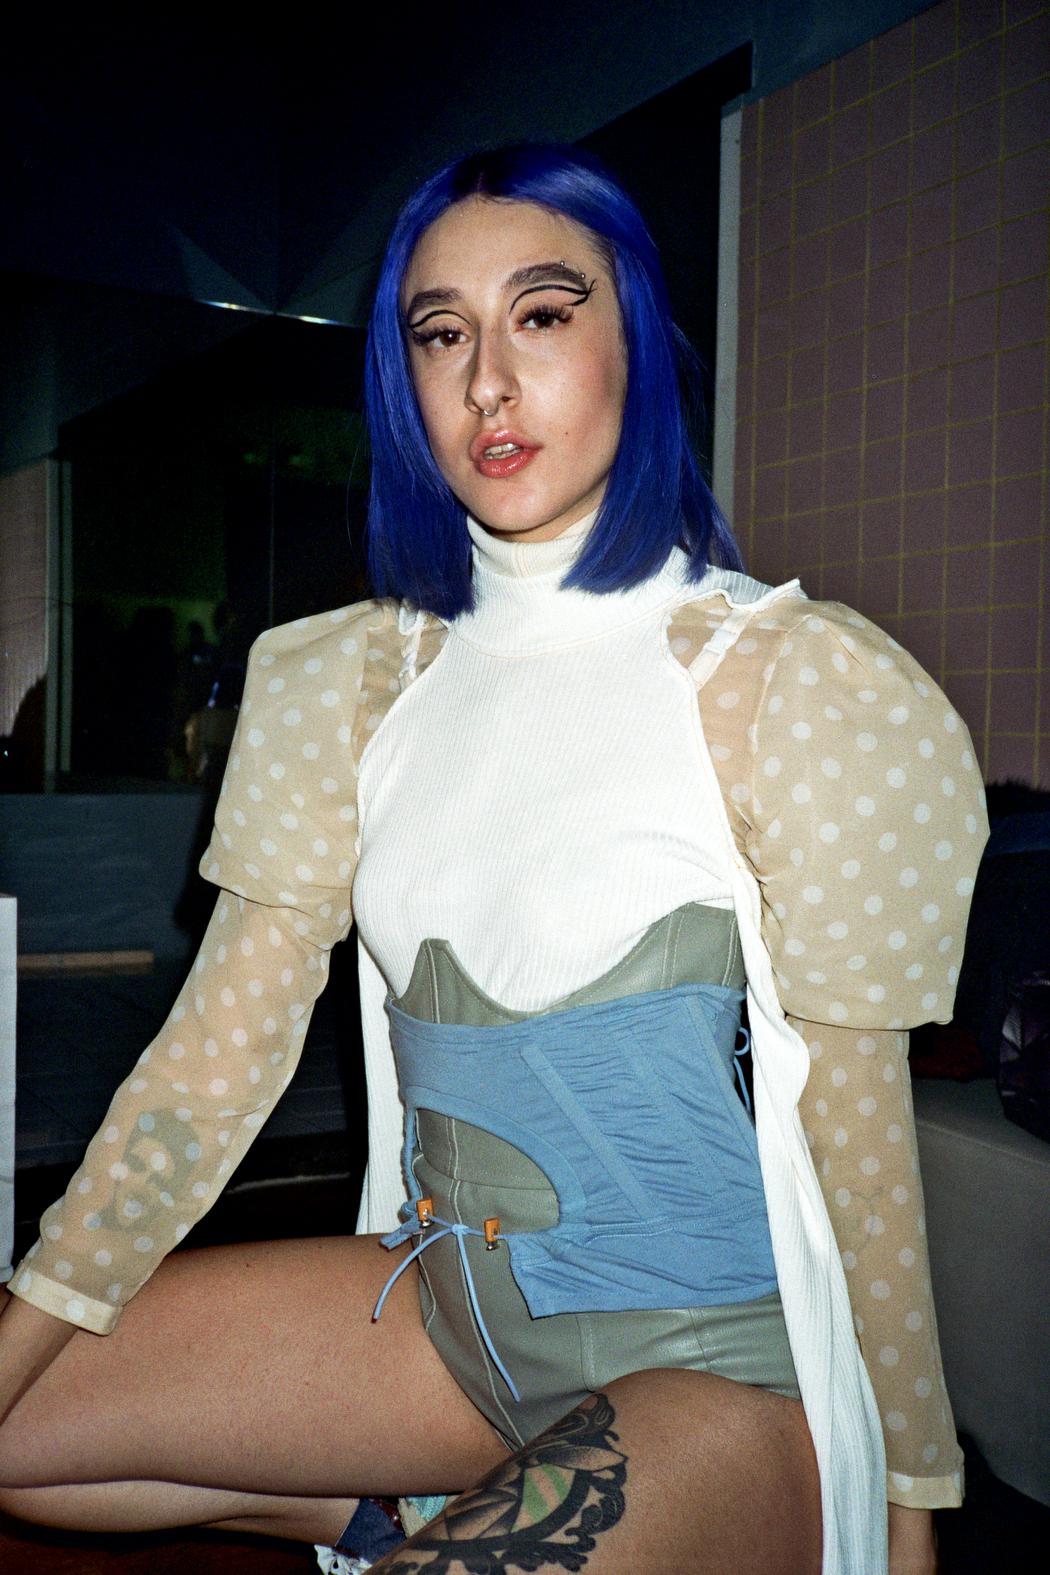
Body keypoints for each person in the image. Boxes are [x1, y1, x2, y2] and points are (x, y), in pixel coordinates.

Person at [0, 145, 986, 1575]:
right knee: (21, 1427)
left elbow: (863, 1146)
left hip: (714, 1379)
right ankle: (412, 1507)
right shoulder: (345, 684)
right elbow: (209, 1070)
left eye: (542, 315)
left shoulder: (790, 680)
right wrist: (24, 1329)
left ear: (632, 342)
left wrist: (904, 1505)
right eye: (440, 333)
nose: (488, 383)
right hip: (446, 1333)